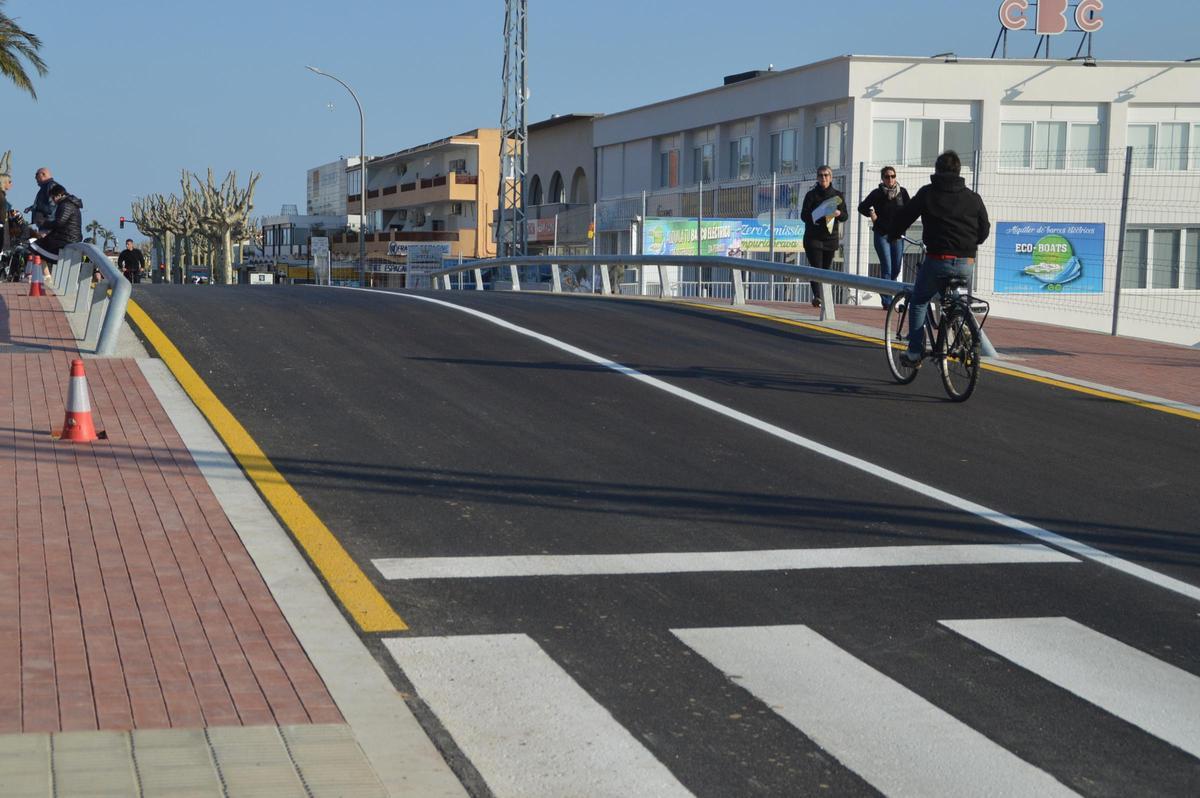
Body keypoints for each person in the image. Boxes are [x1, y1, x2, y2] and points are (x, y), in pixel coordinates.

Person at [888, 150, 990, 366]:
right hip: (966, 263)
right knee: (952, 299)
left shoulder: (928, 193)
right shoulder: (973, 197)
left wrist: (894, 233)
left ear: (937, 170)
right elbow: (984, 230)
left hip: (938, 260)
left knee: (919, 301)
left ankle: (915, 352)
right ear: (959, 171)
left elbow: (905, 216)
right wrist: (970, 245)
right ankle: (961, 331)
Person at [857, 166, 910, 308]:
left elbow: (910, 210)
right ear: (882, 179)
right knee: (887, 267)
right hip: (882, 234)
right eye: (887, 177)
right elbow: (862, 207)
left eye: (893, 176)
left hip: (897, 235)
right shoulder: (877, 193)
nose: (890, 179)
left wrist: (905, 225)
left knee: (896, 268)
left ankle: (886, 291)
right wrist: (871, 213)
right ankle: (887, 302)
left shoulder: (902, 193)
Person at [800, 165, 845, 308]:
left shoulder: (837, 196)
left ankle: (825, 296)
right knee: (816, 267)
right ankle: (818, 296)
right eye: (820, 175)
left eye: (826, 175)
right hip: (813, 237)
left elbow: (845, 216)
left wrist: (838, 214)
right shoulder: (811, 195)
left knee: (826, 269)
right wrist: (817, 214)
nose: (823, 178)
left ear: (831, 177)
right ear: (817, 178)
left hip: (830, 238)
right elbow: (803, 216)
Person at [30, 184, 83, 267]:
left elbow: (59, 223)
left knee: (35, 247)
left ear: (60, 195)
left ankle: (46, 276)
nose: (53, 201)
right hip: (68, 237)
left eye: (53, 198)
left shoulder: (66, 205)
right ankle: (46, 276)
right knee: (37, 247)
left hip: (66, 239)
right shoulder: (69, 203)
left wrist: (44, 223)